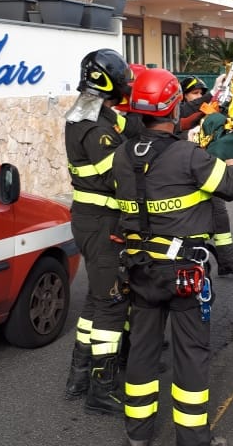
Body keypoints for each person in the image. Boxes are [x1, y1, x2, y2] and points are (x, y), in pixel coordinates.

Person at [110, 67, 233, 446]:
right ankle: (192, 437)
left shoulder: (121, 156)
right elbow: (231, 187)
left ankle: (138, 433)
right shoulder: (188, 155)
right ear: (173, 108)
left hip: (139, 268)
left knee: (142, 351)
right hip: (183, 271)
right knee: (191, 354)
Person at [62, 48, 139, 414]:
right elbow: (118, 179)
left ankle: (79, 378)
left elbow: (124, 129)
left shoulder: (88, 114)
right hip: (104, 222)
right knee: (111, 303)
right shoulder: (96, 129)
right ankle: (101, 389)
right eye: (123, 80)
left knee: (96, 299)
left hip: (90, 220)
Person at [179, 75, 233, 277]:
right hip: (186, 179)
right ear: (183, 96)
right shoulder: (181, 117)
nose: (198, 96)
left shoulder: (210, 112)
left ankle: (227, 262)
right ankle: (190, 265)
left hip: (208, 171)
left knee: (220, 216)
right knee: (191, 224)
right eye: (194, 93)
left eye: (200, 93)